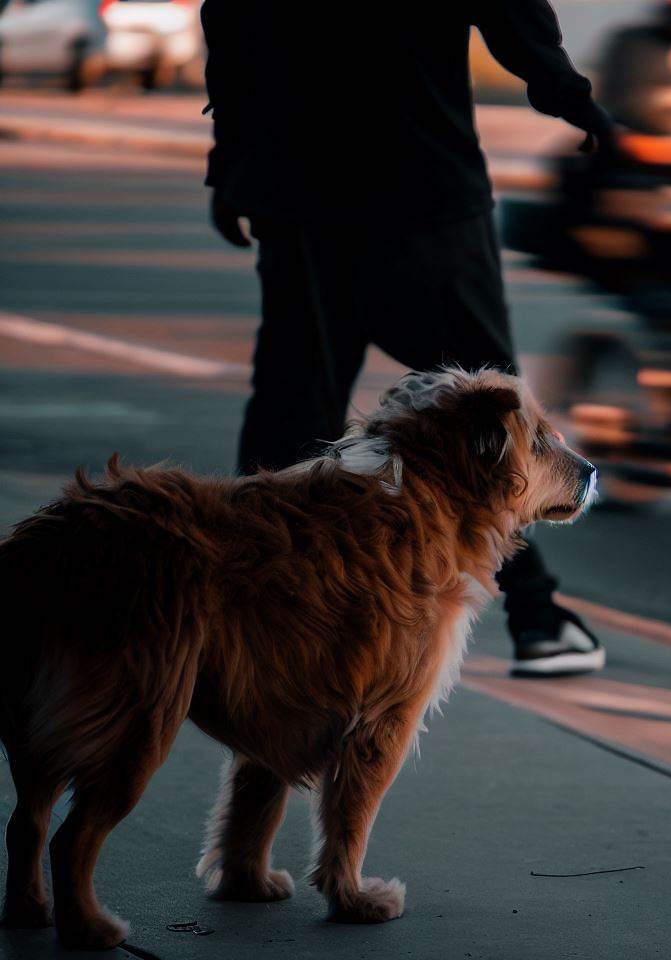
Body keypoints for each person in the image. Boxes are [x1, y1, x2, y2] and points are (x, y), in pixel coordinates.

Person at [201, 1, 612, 677]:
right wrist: (571, 97)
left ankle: (250, 618)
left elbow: (235, 21)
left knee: (292, 409)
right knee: (492, 416)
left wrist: (230, 163)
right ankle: (537, 618)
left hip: (300, 191)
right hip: (421, 190)